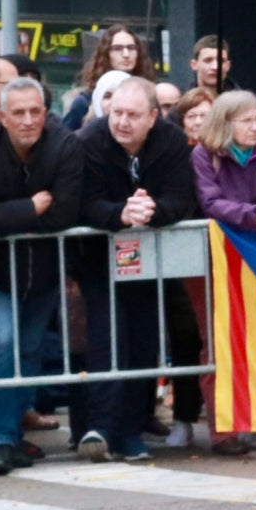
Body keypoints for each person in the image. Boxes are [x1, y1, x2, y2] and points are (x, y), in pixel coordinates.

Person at [0, 75, 88, 475]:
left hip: (43, 272)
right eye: (19, 113)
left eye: (35, 111)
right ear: (2, 117)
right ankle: (0, 438)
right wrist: (29, 207)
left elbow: (64, 214)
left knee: (28, 351)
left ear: (46, 113)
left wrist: (3, 219)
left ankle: (10, 434)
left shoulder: (65, 146)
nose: (28, 120)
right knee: (3, 342)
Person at [73, 77, 201, 464]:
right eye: (116, 113)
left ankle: (131, 431)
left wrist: (151, 211)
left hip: (150, 258)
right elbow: (81, 203)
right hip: (98, 257)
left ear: (153, 117)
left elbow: (182, 199)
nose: (122, 122)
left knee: (144, 342)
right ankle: (99, 428)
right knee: (108, 339)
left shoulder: (172, 141)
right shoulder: (88, 142)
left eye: (132, 115)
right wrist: (121, 214)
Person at [193, 89, 256, 457]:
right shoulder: (204, 156)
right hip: (218, 257)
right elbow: (211, 201)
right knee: (217, 339)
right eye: (247, 121)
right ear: (225, 123)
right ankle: (222, 429)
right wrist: (253, 215)